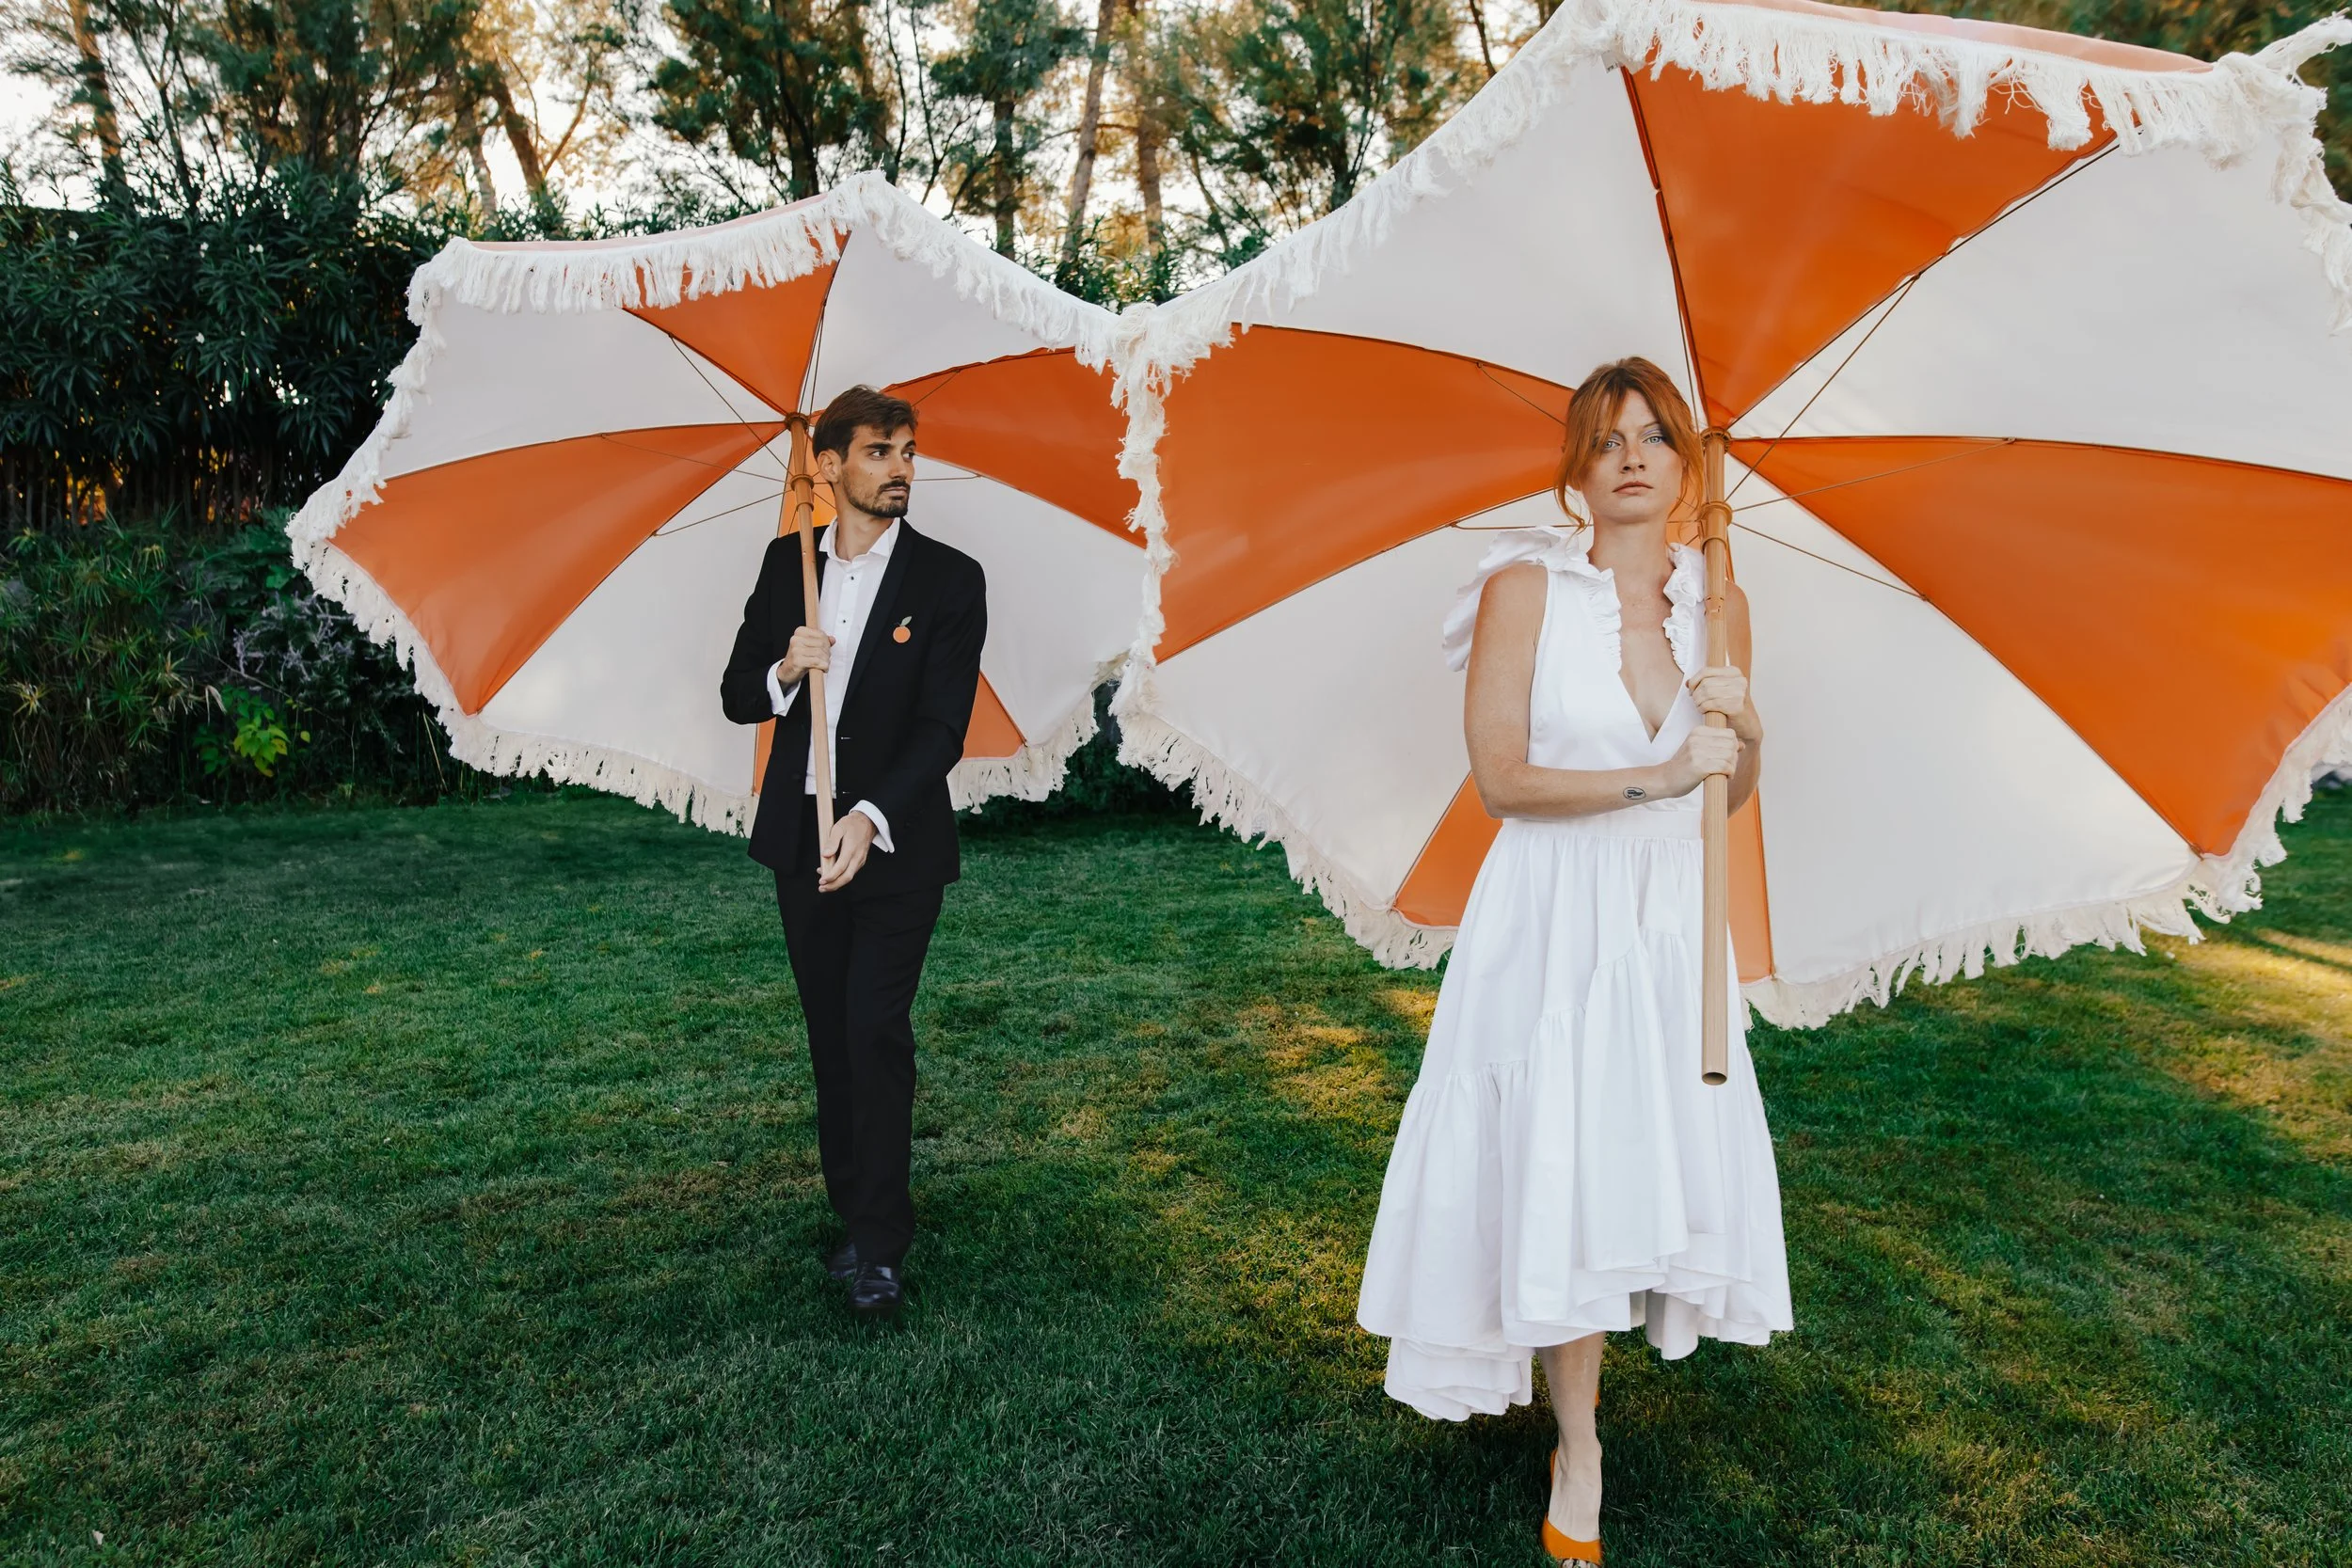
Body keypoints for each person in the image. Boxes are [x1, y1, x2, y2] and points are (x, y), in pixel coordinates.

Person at [1355, 357, 1792, 1560]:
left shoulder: (1721, 602)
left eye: (1654, 436)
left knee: (1629, 1154)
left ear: (1687, 463)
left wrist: (1746, 732)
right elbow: (1502, 779)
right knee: (1561, 1149)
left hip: (1667, 914)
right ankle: (1579, 1444)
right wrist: (1660, 773)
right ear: (1576, 470)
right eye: (1607, 440)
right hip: (1552, 909)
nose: (1633, 457)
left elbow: (1726, 794)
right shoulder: (1523, 589)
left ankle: (1584, 1411)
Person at [720, 385, 988, 1320]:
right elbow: (737, 695)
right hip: (801, 841)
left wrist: (868, 817)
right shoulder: (785, 565)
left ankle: (879, 1241)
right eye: (880, 451)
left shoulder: (950, 580)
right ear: (828, 465)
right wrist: (786, 667)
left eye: (908, 450)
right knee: (831, 1033)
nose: (901, 468)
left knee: (875, 1028)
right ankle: (851, 1209)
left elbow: (942, 727)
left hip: (895, 846)